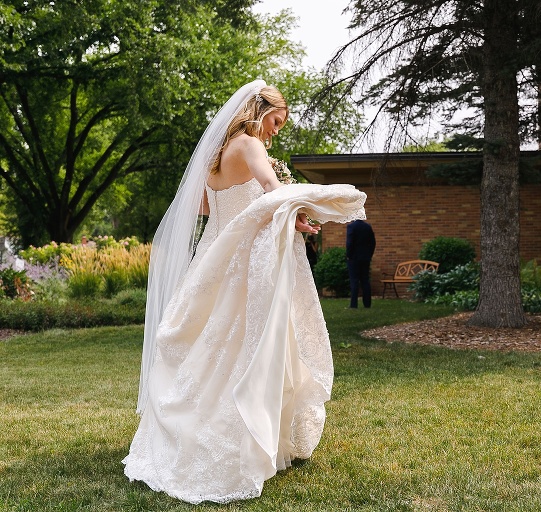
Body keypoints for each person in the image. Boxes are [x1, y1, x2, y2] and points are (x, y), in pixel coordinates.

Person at [122, 79, 367, 504]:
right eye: (275, 121)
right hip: (241, 263)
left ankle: (190, 431)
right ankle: (236, 440)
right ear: (258, 110)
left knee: (206, 344)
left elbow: (201, 208)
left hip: (211, 257)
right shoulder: (250, 145)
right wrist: (300, 214)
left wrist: (249, 206)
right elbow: (274, 192)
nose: (275, 131)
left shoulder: (215, 155)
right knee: (243, 345)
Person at [346, 219, 376, 308]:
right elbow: (373, 243)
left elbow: (349, 242)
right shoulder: (367, 227)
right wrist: (369, 254)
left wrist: (349, 255)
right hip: (365, 257)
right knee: (365, 280)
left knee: (354, 281)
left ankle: (353, 304)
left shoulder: (352, 226)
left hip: (354, 258)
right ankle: (367, 304)